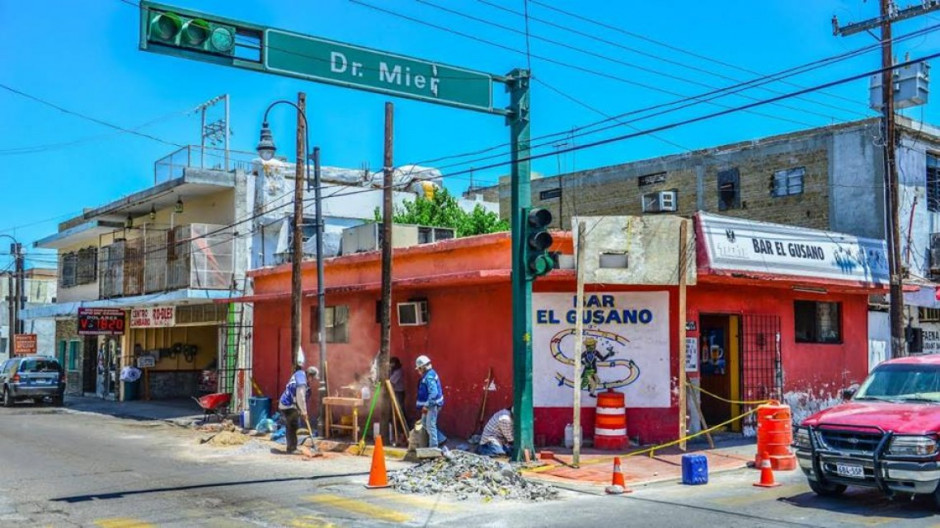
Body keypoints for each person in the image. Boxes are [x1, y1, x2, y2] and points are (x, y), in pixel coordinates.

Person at [278, 364, 319, 454]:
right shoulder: (302, 383)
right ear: (309, 375)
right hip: (287, 405)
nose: (312, 381)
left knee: (293, 425)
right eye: (312, 378)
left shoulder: (300, 373)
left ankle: (292, 447)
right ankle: (291, 449)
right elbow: (301, 397)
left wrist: (301, 410)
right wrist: (304, 412)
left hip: (289, 404)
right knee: (292, 426)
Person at [415, 355, 447, 449]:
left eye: (419, 369)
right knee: (425, 423)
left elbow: (433, 393)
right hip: (429, 405)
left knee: (430, 426)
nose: (418, 371)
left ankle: (433, 447)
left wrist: (426, 405)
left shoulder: (429, 377)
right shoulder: (429, 374)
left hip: (432, 405)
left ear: (423, 367)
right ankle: (441, 439)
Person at [389, 357, 407, 427]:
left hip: (399, 392)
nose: (390, 365)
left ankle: (404, 426)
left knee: (399, 410)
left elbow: (391, 381)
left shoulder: (398, 371)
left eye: (392, 363)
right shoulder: (393, 370)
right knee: (394, 410)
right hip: (395, 391)